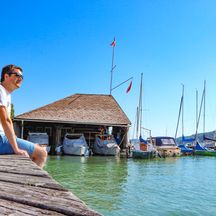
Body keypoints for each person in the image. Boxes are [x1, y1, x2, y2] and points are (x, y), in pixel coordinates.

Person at [0, 64, 47, 168]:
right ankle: (31, 183)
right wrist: (16, 149)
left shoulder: (6, 94)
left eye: (22, 77)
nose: (20, 78)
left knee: (37, 148)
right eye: (17, 75)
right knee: (41, 154)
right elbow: (6, 121)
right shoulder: (0, 90)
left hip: (2, 138)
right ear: (6, 76)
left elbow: (8, 122)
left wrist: (14, 138)